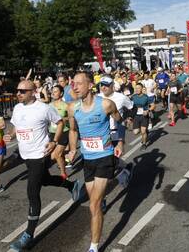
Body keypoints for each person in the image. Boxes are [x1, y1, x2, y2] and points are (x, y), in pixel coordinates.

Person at [6, 80, 80, 251]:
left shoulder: (44, 108)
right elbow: (16, 127)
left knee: (32, 191)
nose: (18, 93)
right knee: (45, 180)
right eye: (17, 90)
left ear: (33, 92)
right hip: (25, 154)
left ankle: (28, 236)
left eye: (22, 91)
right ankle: (71, 184)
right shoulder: (17, 108)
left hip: (40, 155)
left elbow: (60, 122)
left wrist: (54, 141)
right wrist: (11, 135)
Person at [66, 72, 123, 252]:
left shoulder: (106, 104)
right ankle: (123, 171)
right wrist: (73, 149)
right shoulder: (72, 108)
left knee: (94, 205)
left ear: (90, 85)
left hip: (104, 157)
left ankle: (94, 247)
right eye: (73, 84)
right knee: (94, 201)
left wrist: (119, 141)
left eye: (78, 84)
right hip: (87, 159)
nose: (74, 87)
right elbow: (73, 131)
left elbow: (119, 121)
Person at [98, 75, 134, 187]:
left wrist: (129, 118)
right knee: (107, 158)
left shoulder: (121, 97)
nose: (104, 88)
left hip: (117, 131)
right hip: (102, 132)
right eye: (102, 85)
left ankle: (107, 184)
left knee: (110, 159)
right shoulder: (97, 97)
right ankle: (126, 168)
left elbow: (132, 108)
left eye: (106, 86)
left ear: (112, 86)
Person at [49, 85, 70, 177]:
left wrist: (63, 119)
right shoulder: (48, 106)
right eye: (52, 91)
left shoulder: (65, 105)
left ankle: (63, 173)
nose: (53, 93)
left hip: (64, 132)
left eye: (56, 91)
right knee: (56, 155)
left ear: (61, 93)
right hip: (52, 132)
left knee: (55, 154)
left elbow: (71, 117)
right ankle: (63, 170)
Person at [131, 83, 150, 150]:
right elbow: (130, 106)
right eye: (136, 88)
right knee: (135, 132)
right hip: (136, 116)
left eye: (138, 88)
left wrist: (147, 110)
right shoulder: (133, 97)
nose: (137, 89)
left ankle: (144, 144)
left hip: (144, 116)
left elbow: (153, 105)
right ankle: (145, 131)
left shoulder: (146, 97)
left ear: (142, 89)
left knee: (143, 131)